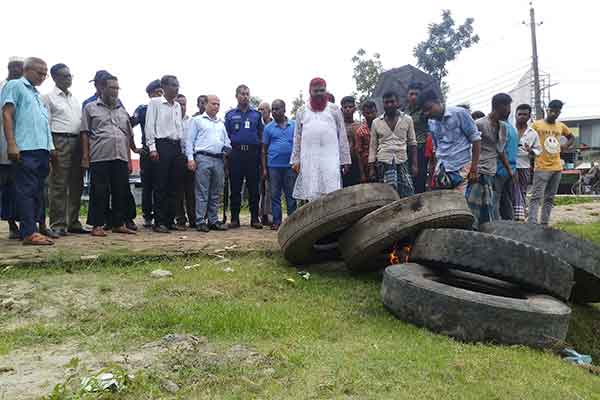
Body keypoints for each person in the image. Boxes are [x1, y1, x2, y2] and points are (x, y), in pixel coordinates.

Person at [1, 57, 55, 245]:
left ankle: (34, 228)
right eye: (39, 72)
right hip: (25, 148)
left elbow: (42, 124)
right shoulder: (15, 85)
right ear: (27, 70)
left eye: (45, 74)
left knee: (37, 191)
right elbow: (7, 113)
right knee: (25, 190)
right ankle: (28, 232)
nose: (43, 76)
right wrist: (12, 144)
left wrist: (50, 149)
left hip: (41, 149)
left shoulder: (36, 94)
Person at [81, 74, 135, 237]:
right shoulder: (90, 108)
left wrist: (129, 159)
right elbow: (84, 133)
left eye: (117, 88)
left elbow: (127, 135)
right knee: (99, 191)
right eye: (112, 88)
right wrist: (85, 156)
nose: (115, 92)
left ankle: (118, 223)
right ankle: (97, 225)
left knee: (120, 190)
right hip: (100, 155)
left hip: (120, 155)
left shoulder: (122, 111)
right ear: (102, 88)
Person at [43, 63, 88, 236]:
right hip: (59, 140)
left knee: (76, 184)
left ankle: (73, 222)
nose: (68, 78)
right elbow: (45, 124)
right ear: (54, 77)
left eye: (70, 75)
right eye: (64, 75)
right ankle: (58, 223)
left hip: (77, 142)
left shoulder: (74, 99)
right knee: (58, 183)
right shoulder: (48, 98)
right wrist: (51, 147)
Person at [291, 77, 351, 201]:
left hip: (331, 158)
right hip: (309, 158)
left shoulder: (334, 109)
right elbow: (297, 137)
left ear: (326, 91)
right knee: (312, 191)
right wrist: (295, 160)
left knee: (332, 190)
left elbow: (342, 135)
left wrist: (345, 160)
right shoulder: (301, 111)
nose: (319, 94)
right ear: (310, 92)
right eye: (316, 91)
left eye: (322, 90)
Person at [418, 90, 481, 194]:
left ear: (438, 102)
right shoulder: (431, 122)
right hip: (443, 169)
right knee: (445, 204)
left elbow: (476, 140)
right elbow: (436, 147)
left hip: (461, 167)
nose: (427, 113)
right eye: (424, 111)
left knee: (461, 204)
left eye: (429, 108)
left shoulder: (459, 113)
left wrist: (474, 168)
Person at [145, 75, 186, 233]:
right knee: (160, 185)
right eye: (173, 85)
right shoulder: (155, 103)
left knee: (173, 186)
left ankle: (170, 220)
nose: (176, 88)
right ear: (164, 87)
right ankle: (159, 221)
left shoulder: (176, 106)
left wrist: (181, 148)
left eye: (178, 85)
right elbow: (149, 126)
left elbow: (178, 127)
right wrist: (152, 148)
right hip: (161, 145)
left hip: (176, 146)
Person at [186, 95, 230, 232]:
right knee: (202, 191)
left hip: (218, 159)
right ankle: (200, 221)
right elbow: (189, 141)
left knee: (216, 192)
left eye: (218, 104)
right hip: (203, 158)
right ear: (205, 104)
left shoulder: (221, 123)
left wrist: (227, 148)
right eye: (213, 104)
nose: (216, 106)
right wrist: (190, 159)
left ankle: (213, 220)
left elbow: (226, 141)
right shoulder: (197, 121)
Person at [469, 93, 513, 228]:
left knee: (488, 204)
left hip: (491, 171)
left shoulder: (503, 127)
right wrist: (473, 169)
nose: (509, 110)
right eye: (507, 106)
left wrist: (510, 171)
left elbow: (500, 151)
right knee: (473, 204)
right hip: (478, 170)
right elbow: (471, 148)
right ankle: (471, 230)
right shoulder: (479, 124)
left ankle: (485, 230)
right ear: (499, 106)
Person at [224, 84, 264, 229]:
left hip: (252, 154)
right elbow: (226, 137)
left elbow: (261, 136)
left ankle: (255, 218)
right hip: (236, 154)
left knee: (254, 188)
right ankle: (235, 218)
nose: (245, 96)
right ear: (236, 96)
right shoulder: (229, 115)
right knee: (235, 187)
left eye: (247, 93)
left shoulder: (256, 115)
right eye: (242, 93)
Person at [528, 99, 570, 225]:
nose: (554, 114)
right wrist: (531, 152)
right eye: (552, 111)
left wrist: (565, 146)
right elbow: (527, 139)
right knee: (536, 197)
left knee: (550, 198)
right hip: (541, 167)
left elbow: (571, 137)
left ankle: (544, 223)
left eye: (557, 112)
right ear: (548, 110)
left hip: (557, 167)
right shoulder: (536, 125)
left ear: (559, 113)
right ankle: (532, 224)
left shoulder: (561, 126)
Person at [368, 91, 418, 197]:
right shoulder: (376, 122)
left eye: (392, 102)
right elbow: (372, 146)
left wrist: (414, 164)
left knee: (407, 192)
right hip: (384, 161)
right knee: (388, 194)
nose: (389, 105)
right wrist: (371, 168)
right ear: (383, 104)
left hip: (402, 160)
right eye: (386, 102)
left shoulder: (407, 119)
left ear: (398, 103)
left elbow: (412, 143)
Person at [130, 79, 163, 227]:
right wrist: (134, 147)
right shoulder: (143, 109)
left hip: (163, 150)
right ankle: (147, 216)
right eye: (157, 92)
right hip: (147, 151)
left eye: (161, 92)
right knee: (147, 185)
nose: (160, 95)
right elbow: (129, 124)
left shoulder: (167, 107)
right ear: (150, 94)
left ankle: (161, 215)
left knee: (161, 184)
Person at [261, 99, 297, 230]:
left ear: (284, 109)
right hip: (273, 167)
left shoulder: (294, 125)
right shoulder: (268, 128)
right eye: (273, 109)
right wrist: (264, 169)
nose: (274, 112)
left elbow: (298, 146)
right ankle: (277, 221)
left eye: (277, 109)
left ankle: (293, 221)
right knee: (275, 195)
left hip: (290, 167)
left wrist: (298, 163)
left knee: (291, 195)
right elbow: (264, 149)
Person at [0, 57, 24, 240]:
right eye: (14, 67)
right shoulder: (3, 87)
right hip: (3, 143)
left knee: (15, 187)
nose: (17, 70)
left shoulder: (25, 90)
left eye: (20, 67)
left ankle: (15, 224)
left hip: (20, 145)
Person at [513, 104, 541, 221]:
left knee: (523, 191)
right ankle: (509, 215)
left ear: (529, 116)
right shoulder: (509, 129)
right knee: (509, 190)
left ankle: (521, 215)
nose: (522, 117)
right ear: (515, 115)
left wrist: (531, 151)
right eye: (519, 114)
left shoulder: (532, 133)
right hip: (508, 165)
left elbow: (538, 150)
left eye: (525, 114)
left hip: (524, 165)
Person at [175, 93, 196, 228]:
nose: (182, 107)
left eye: (184, 104)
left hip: (190, 158)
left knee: (191, 190)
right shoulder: (171, 120)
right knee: (178, 190)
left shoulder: (191, 121)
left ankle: (193, 218)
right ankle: (180, 218)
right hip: (176, 158)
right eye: (179, 104)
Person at [404, 82, 430, 193]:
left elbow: (430, 131)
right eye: (411, 94)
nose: (414, 97)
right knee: (407, 177)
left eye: (416, 94)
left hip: (422, 146)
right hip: (406, 148)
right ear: (407, 95)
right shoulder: (404, 111)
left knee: (420, 176)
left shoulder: (425, 111)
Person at [494, 119, 518, 220]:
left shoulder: (500, 127)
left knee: (494, 202)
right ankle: (510, 225)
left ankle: (494, 226)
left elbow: (500, 150)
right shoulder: (512, 128)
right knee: (506, 201)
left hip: (500, 169)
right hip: (510, 169)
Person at [257, 101, 273, 226]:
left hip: (272, 159)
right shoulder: (256, 124)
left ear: (269, 111)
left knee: (270, 189)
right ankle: (260, 214)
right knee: (260, 188)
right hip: (258, 160)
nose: (260, 112)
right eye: (259, 109)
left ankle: (268, 214)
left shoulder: (273, 124)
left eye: (263, 109)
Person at [340, 96, 362, 187]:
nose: (348, 109)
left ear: (355, 109)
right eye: (345, 107)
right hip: (342, 163)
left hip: (357, 163)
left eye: (350, 107)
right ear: (341, 109)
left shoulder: (359, 126)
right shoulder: (338, 127)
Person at [355, 101, 377, 183]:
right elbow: (359, 153)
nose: (370, 115)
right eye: (368, 113)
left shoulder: (383, 126)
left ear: (376, 111)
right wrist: (362, 174)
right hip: (367, 166)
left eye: (372, 112)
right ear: (363, 113)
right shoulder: (360, 131)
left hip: (383, 163)